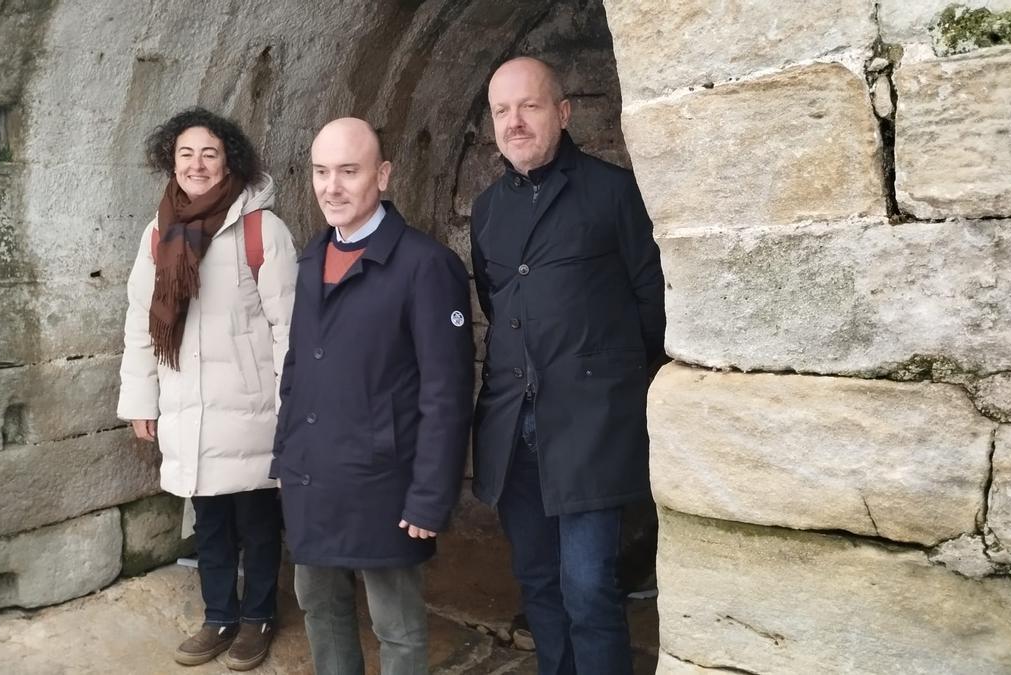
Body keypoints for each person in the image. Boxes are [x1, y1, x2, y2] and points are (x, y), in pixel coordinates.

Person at [469, 57, 667, 675]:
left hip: (589, 427)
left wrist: (614, 386)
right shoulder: (486, 209)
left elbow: (651, 302)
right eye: (502, 111)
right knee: (538, 584)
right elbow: (496, 304)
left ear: (562, 112)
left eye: (528, 106)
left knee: (588, 591)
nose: (514, 122)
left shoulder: (612, 193)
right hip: (513, 430)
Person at [272, 117, 473, 675]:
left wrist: (431, 495)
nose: (331, 187)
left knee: (398, 628)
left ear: (382, 175)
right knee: (319, 606)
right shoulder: (312, 258)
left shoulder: (425, 266)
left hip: (384, 483)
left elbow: (447, 393)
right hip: (314, 475)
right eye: (320, 172)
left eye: (348, 171)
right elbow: (297, 367)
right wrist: (286, 454)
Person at [117, 107, 297, 671]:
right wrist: (141, 400)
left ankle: (258, 616)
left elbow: (290, 327)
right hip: (187, 406)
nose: (196, 165)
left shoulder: (260, 228)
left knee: (258, 520)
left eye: (209, 154)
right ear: (171, 161)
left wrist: (294, 407)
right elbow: (142, 322)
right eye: (186, 154)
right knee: (210, 522)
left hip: (250, 408)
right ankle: (219, 615)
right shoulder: (158, 232)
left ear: (230, 162)